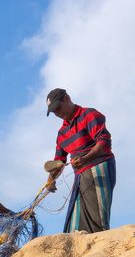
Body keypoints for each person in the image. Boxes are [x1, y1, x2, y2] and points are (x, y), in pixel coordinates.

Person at [45, 88, 116, 234]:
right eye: (54, 112)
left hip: (99, 168)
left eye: (58, 107)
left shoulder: (89, 115)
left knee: (97, 218)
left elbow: (104, 142)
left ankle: (101, 241)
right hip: (80, 176)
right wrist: (50, 179)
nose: (57, 113)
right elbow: (59, 160)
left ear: (67, 98)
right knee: (76, 224)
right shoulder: (62, 134)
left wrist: (85, 158)